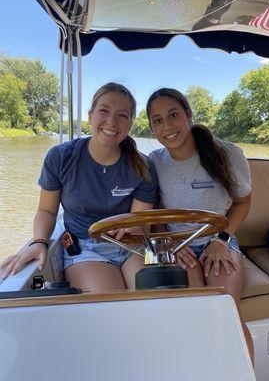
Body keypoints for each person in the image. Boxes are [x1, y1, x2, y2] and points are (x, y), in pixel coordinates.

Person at [0, 83, 157, 292]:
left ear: (129, 125)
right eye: (104, 111)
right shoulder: (61, 157)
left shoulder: (143, 166)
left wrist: (132, 227)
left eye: (122, 115)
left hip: (131, 247)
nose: (112, 121)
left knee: (152, 295)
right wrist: (39, 242)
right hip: (84, 247)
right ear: (91, 116)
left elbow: (141, 222)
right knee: (108, 301)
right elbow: (47, 211)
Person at [146, 87, 254, 363]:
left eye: (173, 115)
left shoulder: (227, 154)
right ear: (151, 128)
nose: (167, 126)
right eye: (157, 121)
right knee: (195, 309)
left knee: (225, 309)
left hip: (219, 240)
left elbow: (243, 203)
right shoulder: (154, 163)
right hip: (177, 246)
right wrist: (167, 243)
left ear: (188, 115)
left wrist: (221, 240)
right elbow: (154, 213)